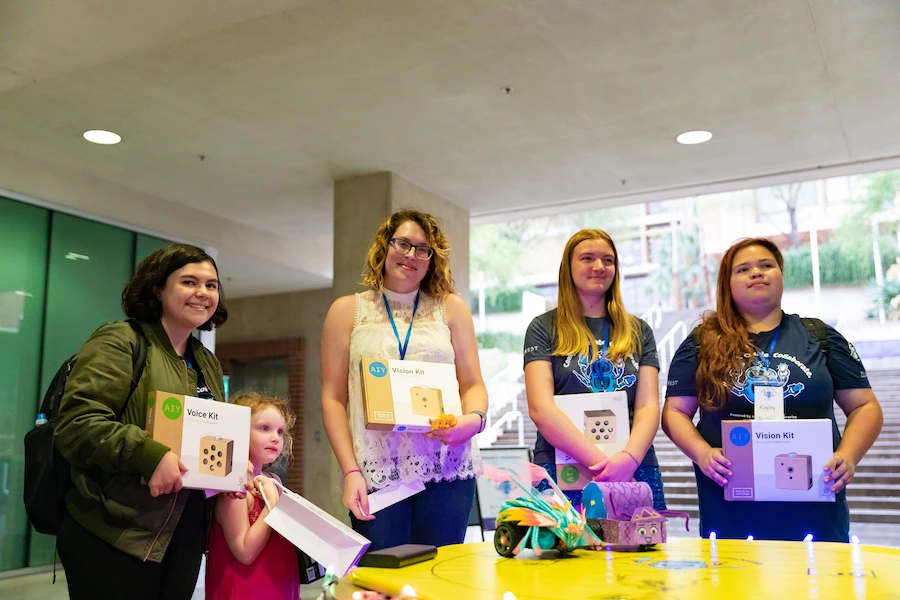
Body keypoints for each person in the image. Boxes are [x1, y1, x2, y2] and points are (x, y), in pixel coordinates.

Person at [663, 237, 884, 542]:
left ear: (780, 274)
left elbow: (865, 406)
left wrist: (848, 454)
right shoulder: (700, 343)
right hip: (731, 511)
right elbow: (674, 412)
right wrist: (702, 454)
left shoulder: (820, 337)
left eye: (766, 265)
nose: (757, 273)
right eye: (743, 269)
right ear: (727, 284)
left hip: (814, 511)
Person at [54, 243, 229, 600]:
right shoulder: (122, 340)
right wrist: (149, 455)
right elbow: (77, 424)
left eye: (211, 285)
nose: (203, 293)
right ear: (157, 288)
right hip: (114, 531)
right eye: (189, 282)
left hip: (184, 534)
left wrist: (239, 467)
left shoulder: (206, 361)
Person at [321, 209, 485, 551]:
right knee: (382, 580)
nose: (411, 254)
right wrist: (351, 471)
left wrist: (474, 421)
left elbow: (472, 384)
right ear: (384, 247)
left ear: (432, 261)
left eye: (422, 249)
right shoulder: (346, 311)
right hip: (377, 472)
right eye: (403, 244)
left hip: (446, 466)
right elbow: (333, 399)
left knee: (439, 580)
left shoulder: (450, 308)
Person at [524, 229, 666, 510]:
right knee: (563, 553)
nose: (599, 267)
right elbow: (541, 408)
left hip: (634, 466)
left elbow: (648, 406)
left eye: (608, 260)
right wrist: (601, 463)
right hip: (562, 471)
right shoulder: (543, 328)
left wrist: (628, 460)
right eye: (587, 258)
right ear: (568, 267)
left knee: (639, 553)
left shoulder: (639, 331)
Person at [206, 392, 300, 600]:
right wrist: (272, 507)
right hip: (246, 590)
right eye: (265, 428)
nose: (275, 437)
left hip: (278, 585)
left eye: (280, 431)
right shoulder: (234, 488)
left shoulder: (273, 480)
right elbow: (244, 552)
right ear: (238, 432)